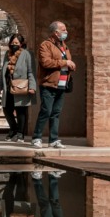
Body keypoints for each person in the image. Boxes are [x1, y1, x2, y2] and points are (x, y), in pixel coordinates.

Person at [30, 21, 75, 149]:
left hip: (62, 84)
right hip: (49, 83)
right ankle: (37, 138)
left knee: (56, 112)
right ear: (56, 32)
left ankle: (54, 140)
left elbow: (67, 61)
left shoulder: (64, 46)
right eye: (63, 30)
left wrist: (71, 65)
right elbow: (46, 62)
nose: (66, 32)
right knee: (46, 111)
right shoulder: (45, 45)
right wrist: (65, 62)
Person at [0, 33, 36, 142]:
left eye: (16, 43)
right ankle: (13, 129)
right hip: (8, 86)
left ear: (21, 44)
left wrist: (32, 86)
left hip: (21, 86)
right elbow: (3, 70)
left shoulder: (27, 54)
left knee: (21, 110)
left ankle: (20, 133)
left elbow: (31, 71)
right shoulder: (7, 54)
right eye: (12, 43)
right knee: (6, 109)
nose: (14, 45)